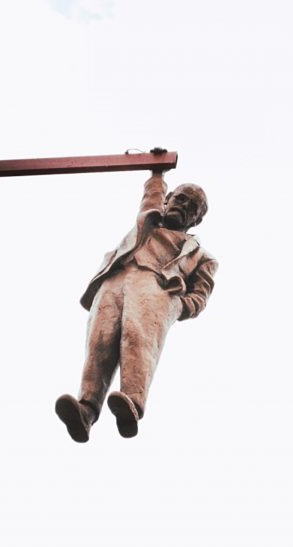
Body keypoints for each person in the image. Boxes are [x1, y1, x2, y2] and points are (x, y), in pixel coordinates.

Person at [55, 166, 217, 442]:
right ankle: (86, 409)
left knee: (137, 341)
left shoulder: (202, 257)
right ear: (168, 200)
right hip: (116, 279)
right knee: (100, 342)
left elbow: (200, 295)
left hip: (154, 287)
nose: (183, 206)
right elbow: (152, 194)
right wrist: (157, 173)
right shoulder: (150, 220)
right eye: (179, 199)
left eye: (192, 207)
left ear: (196, 219)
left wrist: (178, 306)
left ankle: (132, 402)